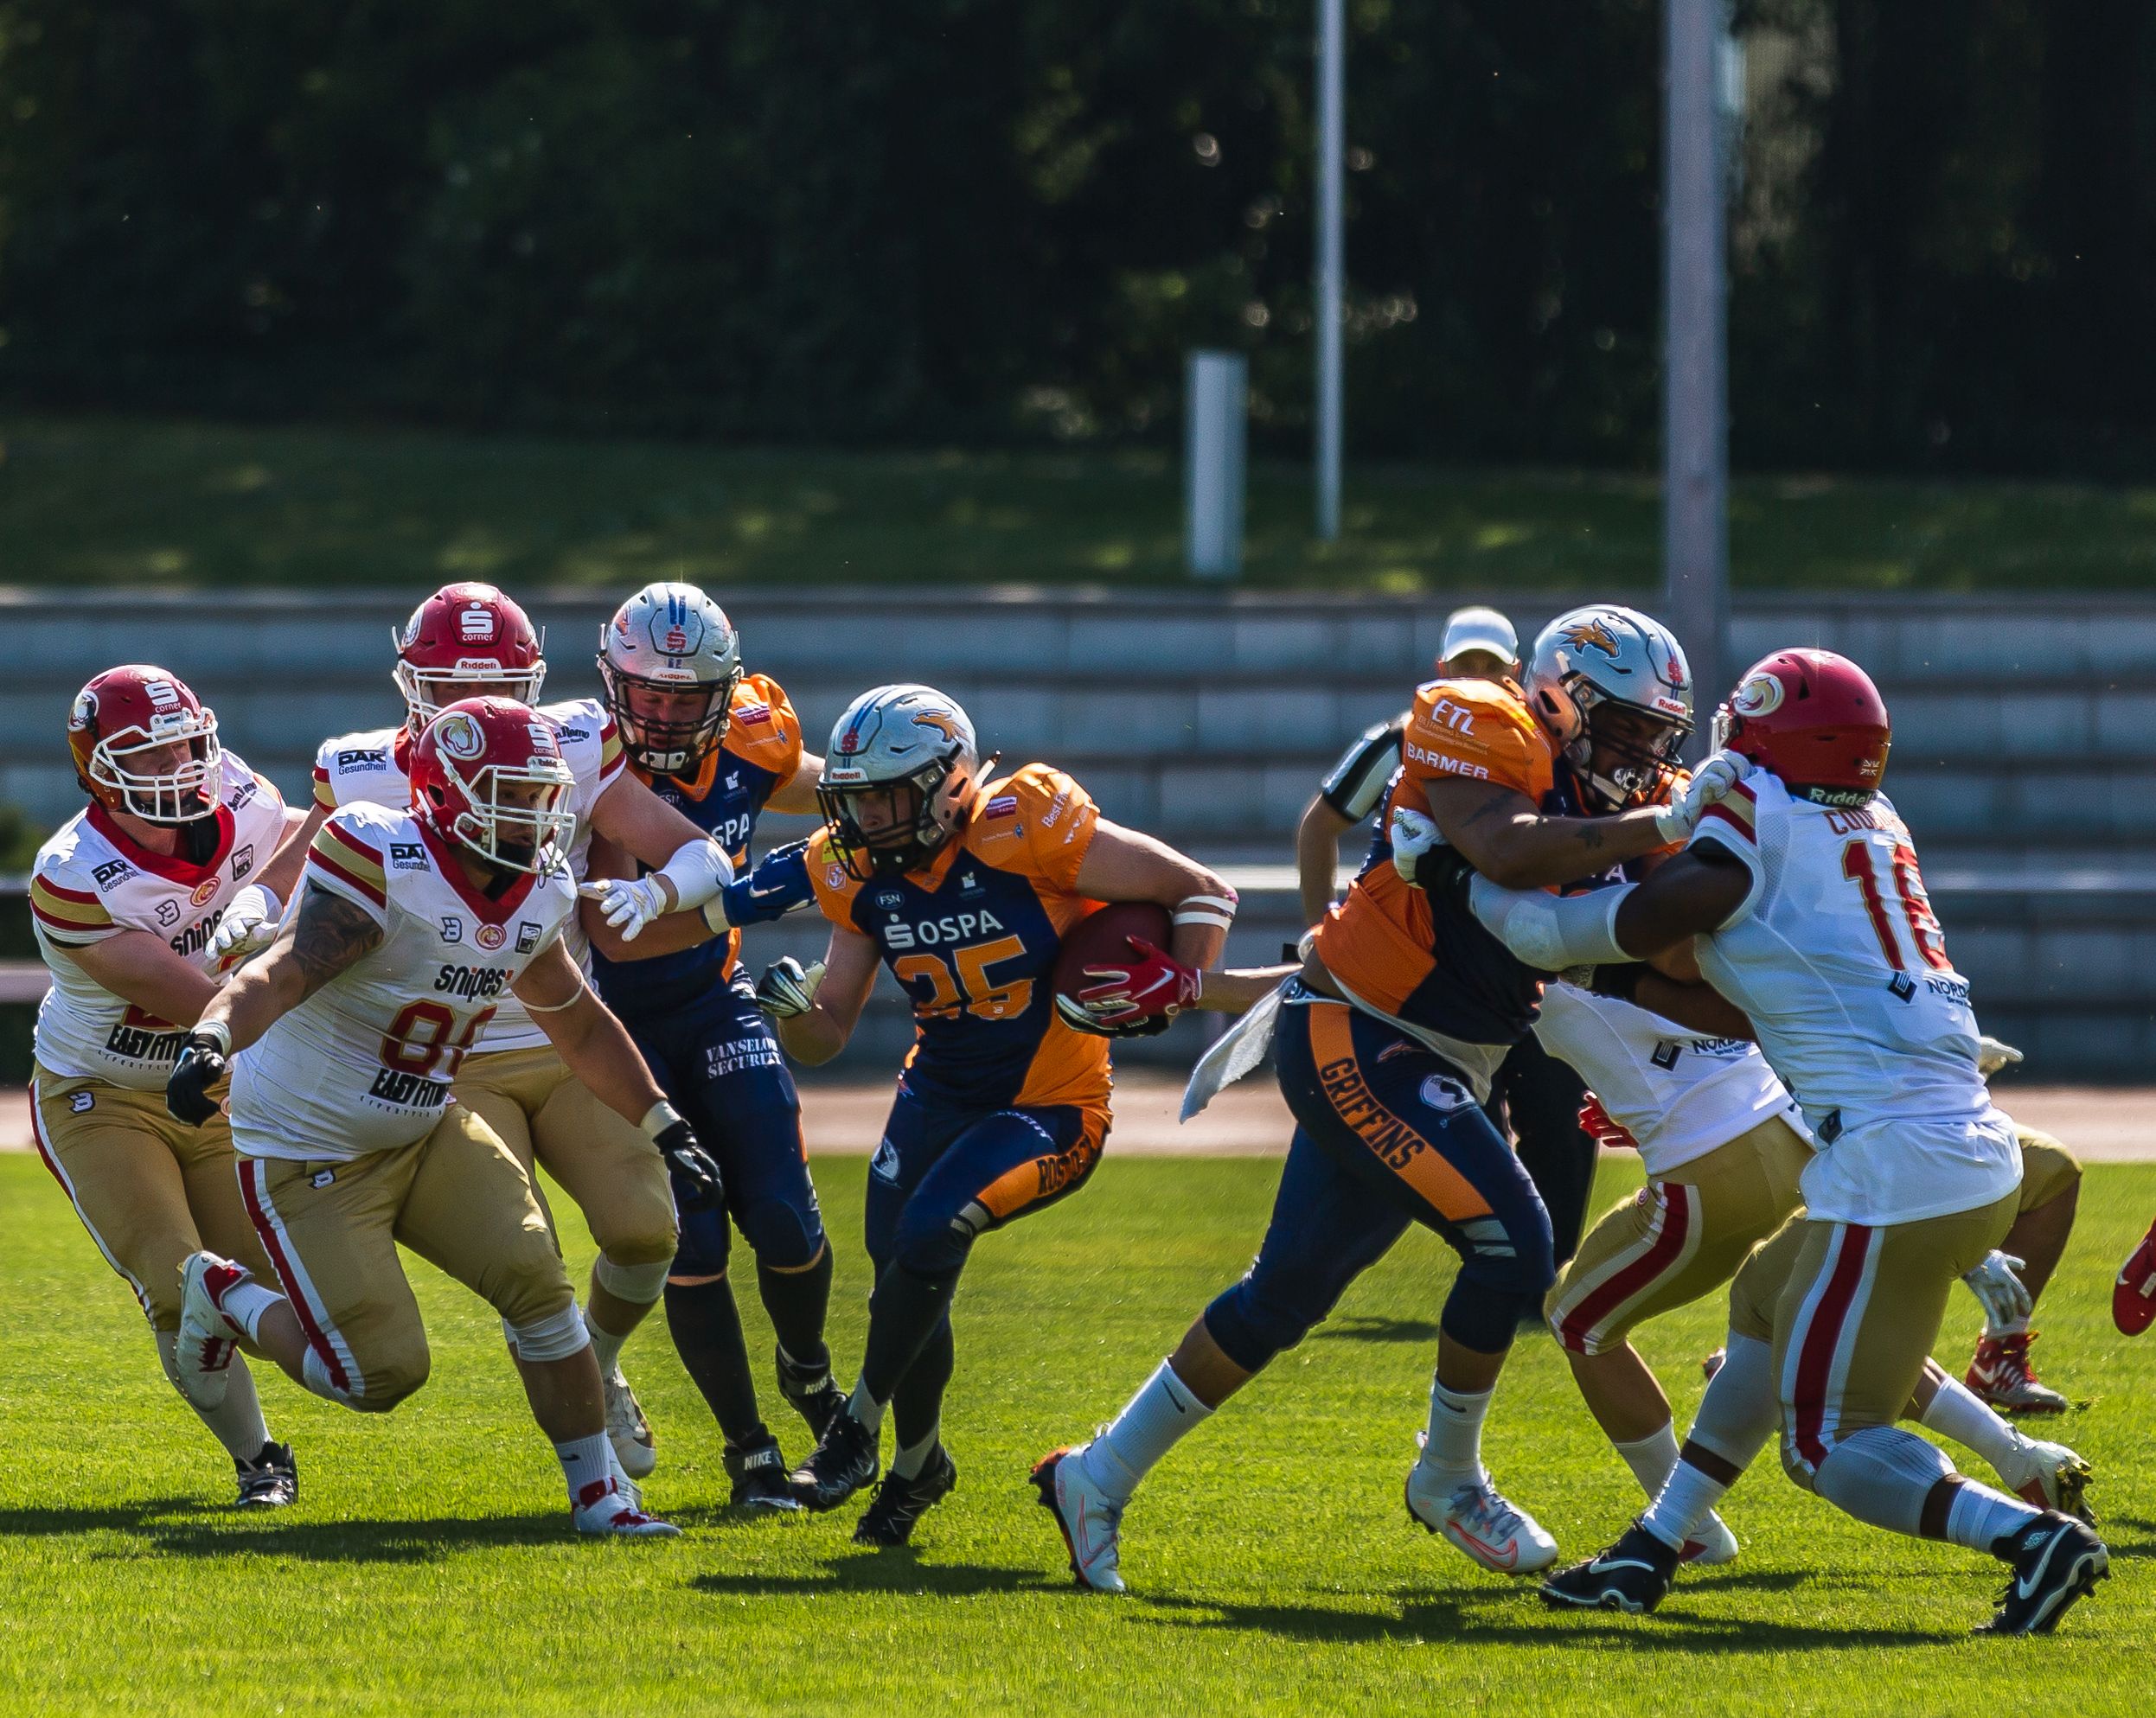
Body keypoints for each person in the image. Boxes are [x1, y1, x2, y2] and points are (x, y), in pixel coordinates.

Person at [1032, 605, 1722, 1593]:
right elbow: (1511, 850)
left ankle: (1096, 1475)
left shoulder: (1623, 800)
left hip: (1439, 1050)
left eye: (1658, 739)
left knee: (1284, 1295)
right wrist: (1665, 824)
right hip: (1360, 1027)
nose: (1641, 756)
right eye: (1624, 730)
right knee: (1517, 1244)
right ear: (1560, 698)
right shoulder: (1484, 720)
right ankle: (1447, 1475)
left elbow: (1663, 948)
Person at [1459, 648, 2108, 1634]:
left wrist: (1477, 891)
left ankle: (2029, 1537)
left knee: (1827, 1444)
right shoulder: (1873, 820)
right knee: (1761, 1303)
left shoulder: (1755, 816)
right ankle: (1652, 1547)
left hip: (1895, 1161)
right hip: (1937, 1143)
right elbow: (1722, 978)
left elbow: (1605, 932)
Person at [163, 698, 723, 1536]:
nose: (534, 815)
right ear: (449, 792)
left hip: (423, 1122)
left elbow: (577, 1021)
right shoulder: (381, 857)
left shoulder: (539, 890)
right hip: (310, 1147)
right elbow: (282, 973)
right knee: (379, 1373)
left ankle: (600, 1493)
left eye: (542, 796)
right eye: (511, 793)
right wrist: (212, 1036)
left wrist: (662, 1122)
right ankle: (223, 1295)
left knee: (538, 1279)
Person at [750, 683, 1234, 1547]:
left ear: (950, 783)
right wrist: (793, 1014)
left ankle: (854, 1429)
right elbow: (828, 1032)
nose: (865, 819)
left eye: (884, 798)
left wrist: (1181, 989)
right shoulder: (854, 869)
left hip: (1052, 1104)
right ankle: (918, 1466)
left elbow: (1201, 891)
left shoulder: (1027, 824)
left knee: (933, 1232)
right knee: (901, 1269)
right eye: (853, 799)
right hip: (937, 1089)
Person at [307, 581, 739, 1480]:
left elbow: (699, 851)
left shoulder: (575, 749)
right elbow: (283, 894)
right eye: (451, 690)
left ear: (535, 682)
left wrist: (657, 894)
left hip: (563, 1033)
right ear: (409, 686)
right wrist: (244, 930)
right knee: (526, 1258)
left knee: (646, 1231)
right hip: (454, 1051)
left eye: (495, 686)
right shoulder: (366, 775)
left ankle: (603, 1362)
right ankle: (594, 1472)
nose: (471, 712)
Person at [579, 580, 844, 1510]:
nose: (660, 712)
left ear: (723, 694)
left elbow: (830, 790)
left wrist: (884, 813)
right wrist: (753, 896)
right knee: (692, 1231)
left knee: (781, 1207)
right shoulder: (592, 765)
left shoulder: (754, 733)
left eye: (684, 696)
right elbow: (619, 936)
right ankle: (750, 1449)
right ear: (613, 684)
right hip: (617, 1027)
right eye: (645, 692)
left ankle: (808, 1372)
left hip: (714, 999)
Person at [28, 665, 309, 1506]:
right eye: (146, 759)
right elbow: (197, 999)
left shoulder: (243, 795)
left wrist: (264, 893)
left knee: (279, 1297)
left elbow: (317, 839)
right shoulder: (73, 874)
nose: (177, 769)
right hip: (102, 1095)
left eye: (183, 746)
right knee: (179, 1279)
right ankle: (261, 1457)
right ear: (97, 771)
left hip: (216, 1087)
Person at [1293, 604, 1596, 1269]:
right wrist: (1317, 925)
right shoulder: (1405, 737)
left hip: (1524, 968)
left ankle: (1545, 1276)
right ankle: (1506, 1266)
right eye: (1467, 666)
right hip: (1431, 968)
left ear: (1516, 673)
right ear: (1442, 670)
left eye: (1492, 665)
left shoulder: (1544, 741)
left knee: (1558, 1112)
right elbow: (1320, 823)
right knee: (1462, 1136)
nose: (1480, 676)